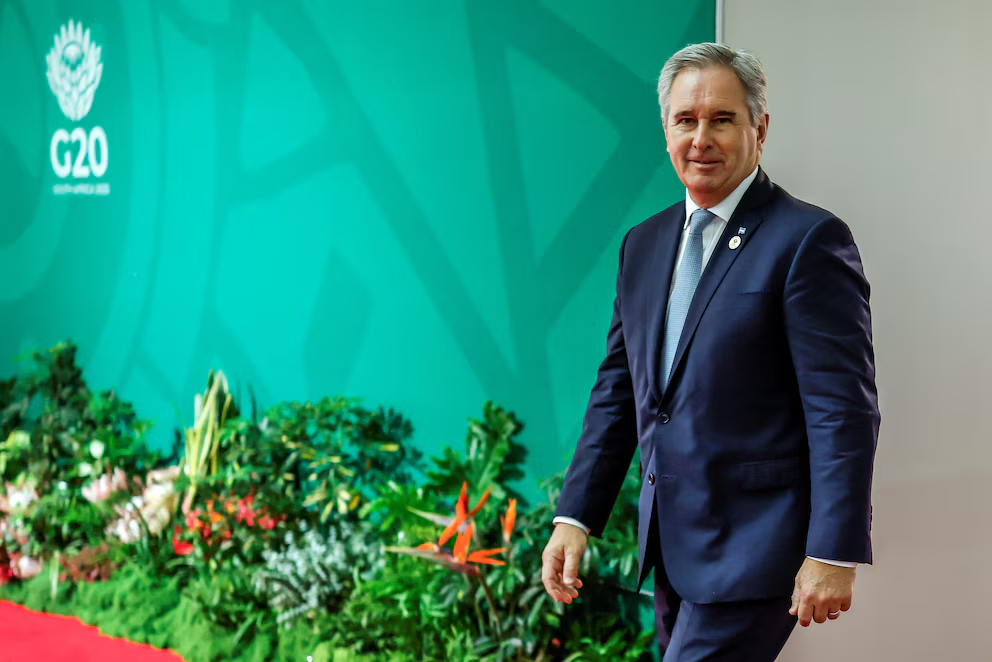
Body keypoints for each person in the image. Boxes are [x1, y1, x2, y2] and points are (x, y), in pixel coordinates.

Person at [541, 42, 879, 661]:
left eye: (722, 119)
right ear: (666, 130)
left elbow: (842, 410)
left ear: (760, 128)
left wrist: (834, 550)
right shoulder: (642, 245)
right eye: (686, 120)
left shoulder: (809, 240)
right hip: (672, 549)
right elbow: (619, 391)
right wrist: (575, 517)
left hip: (758, 547)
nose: (702, 138)